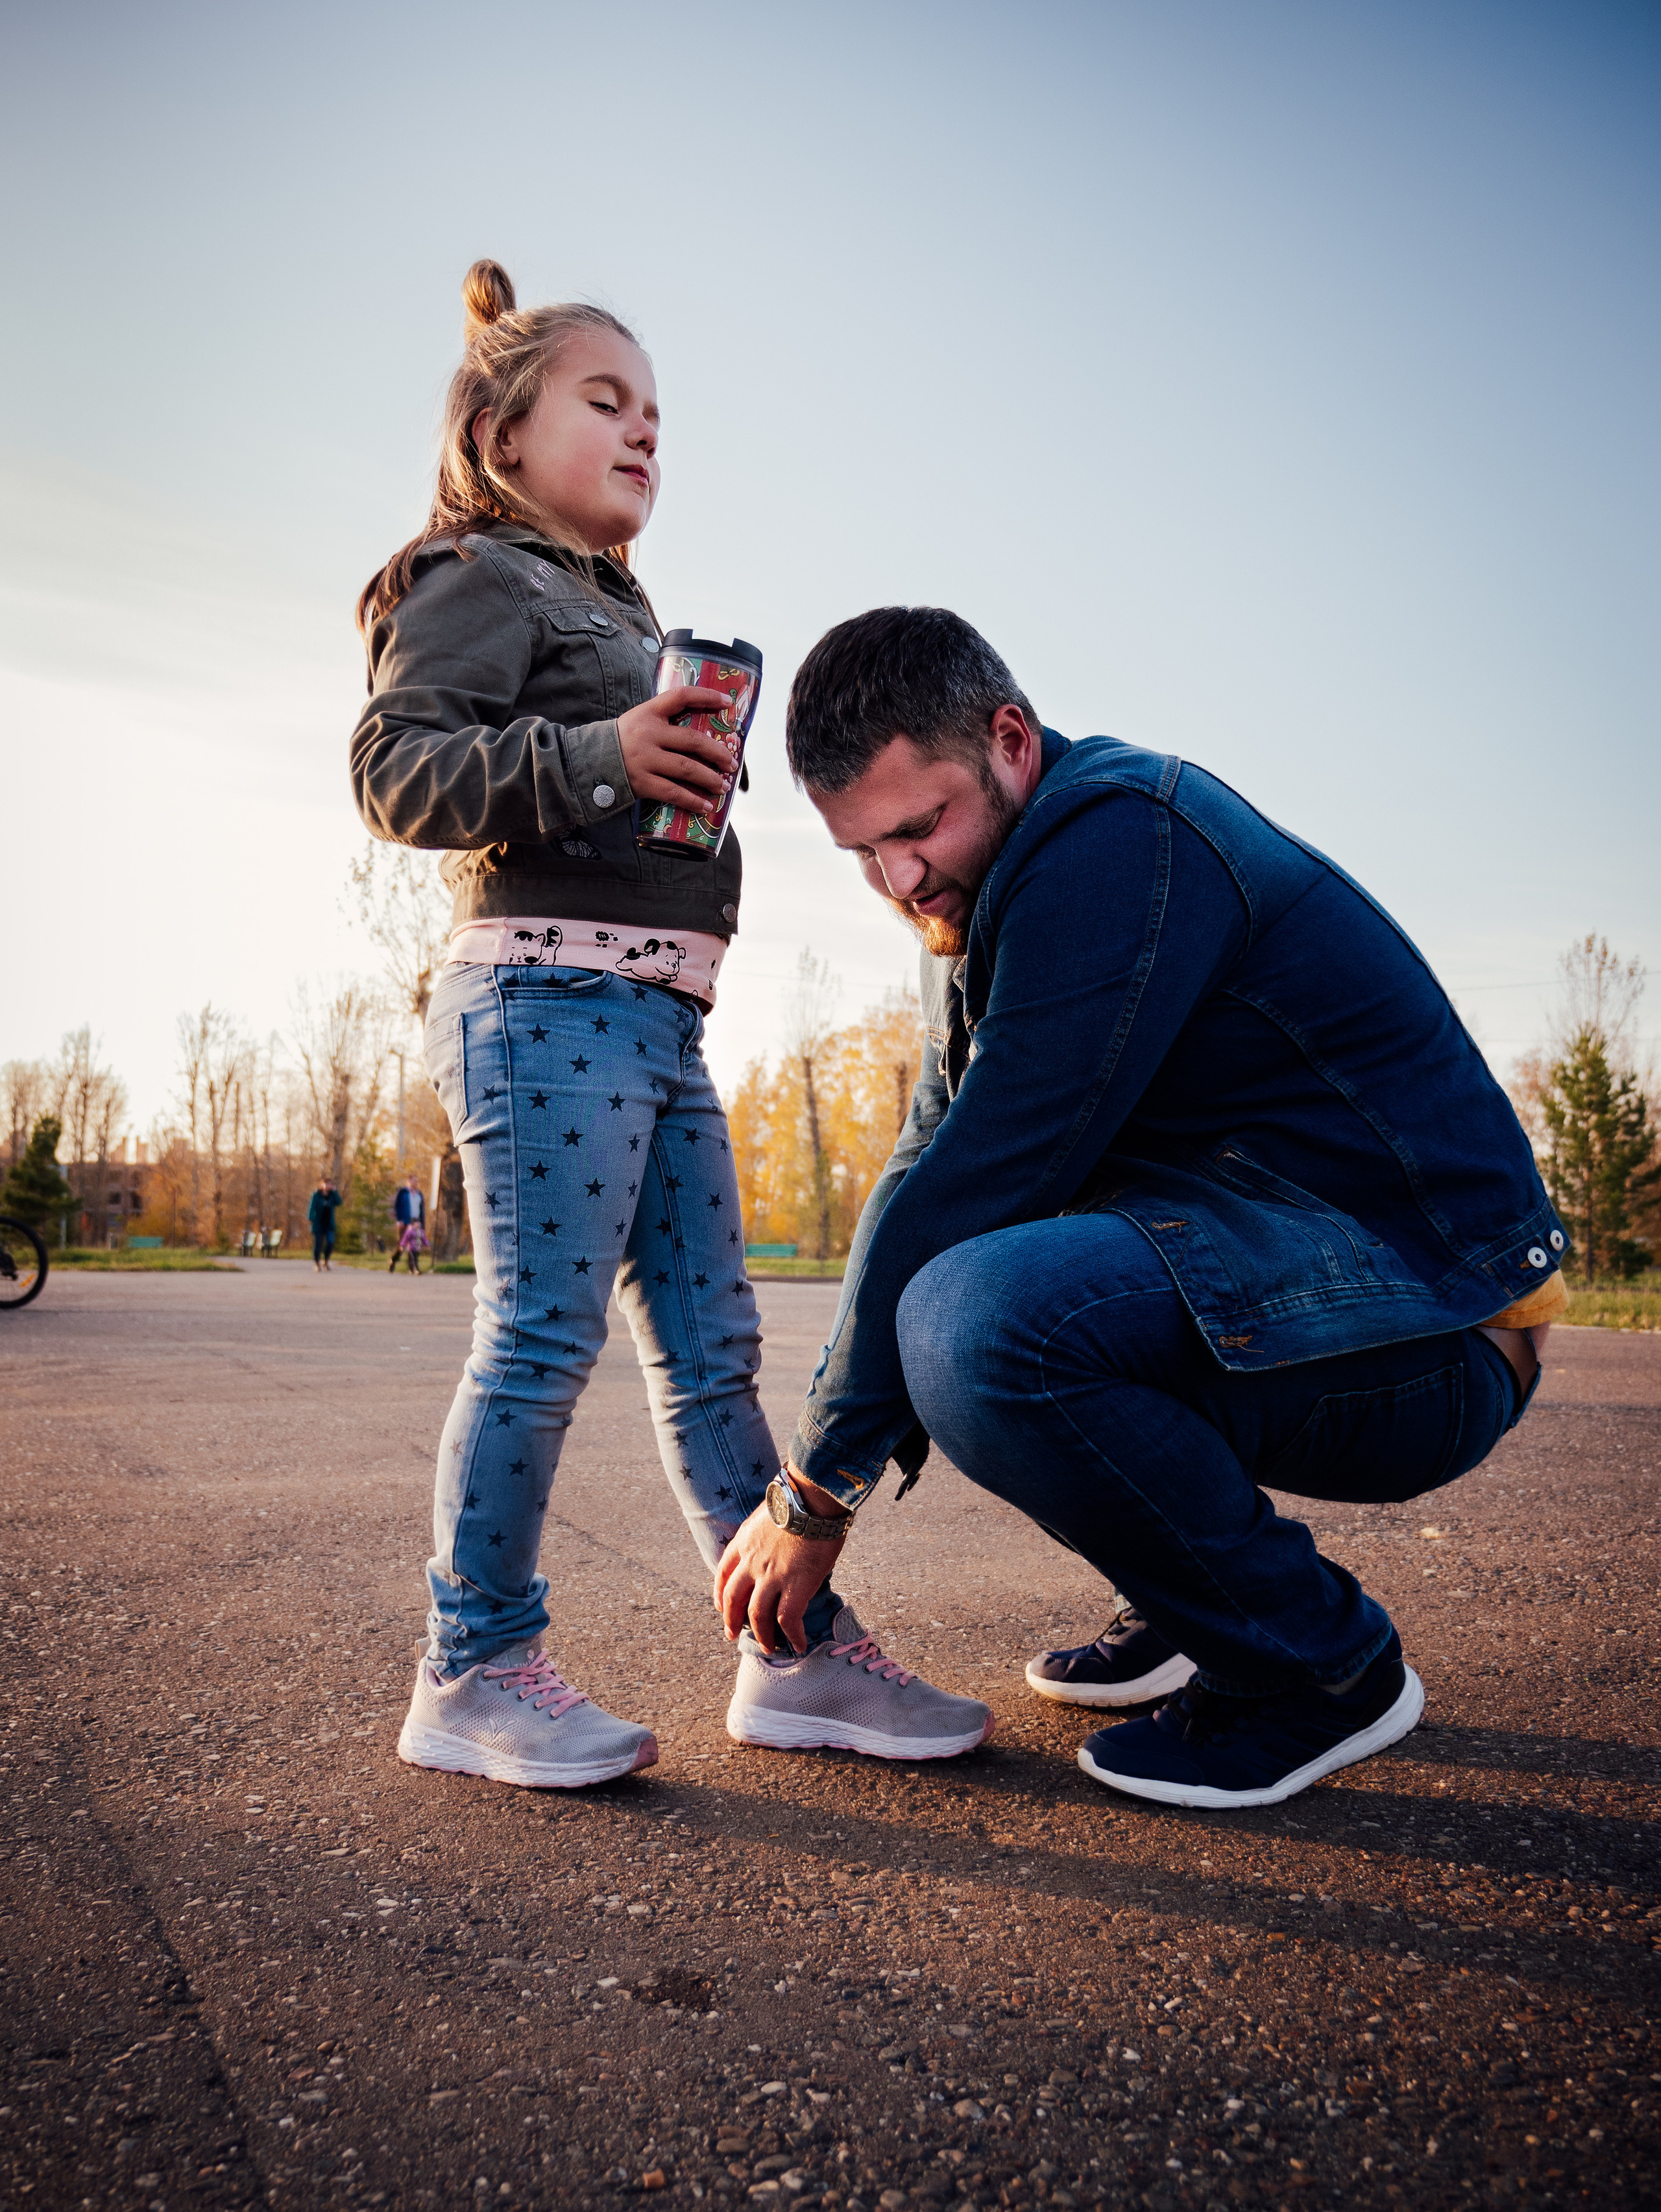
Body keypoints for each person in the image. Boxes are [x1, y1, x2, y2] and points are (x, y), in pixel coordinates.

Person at [715, 605, 1566, 1811]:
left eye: (919, 826)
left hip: (1436, 1326)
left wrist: (817, 1487)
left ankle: (1319, 1667)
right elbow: (920, 1166)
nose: (898, 876)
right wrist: (826, 1452)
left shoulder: (1115, 841)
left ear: (1012, 740)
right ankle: (1190, 1607)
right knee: (987, 1293)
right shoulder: (974, 899)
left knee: (982, 1323)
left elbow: (980, 1182)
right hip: (1296, 1276)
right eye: (863, 851)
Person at [351, 264, 986, 1792]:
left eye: (657, 414)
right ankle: (474, 1666)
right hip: (542, 1001)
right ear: (501, 437)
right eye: (605, 401)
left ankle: (790, 1655)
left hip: (654, 1021)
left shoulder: (608, 605)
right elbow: (395, 771)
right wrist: (598, 747)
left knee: (714, 1351)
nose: (645, 432)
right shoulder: (472, 579)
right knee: (541, 1336)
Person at [390, 1172, 427, 1274]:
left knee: (415, 1245)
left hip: (416, 1222)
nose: (415, 1183)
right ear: (408, 1181)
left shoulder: (419, 1194)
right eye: (413, 1181)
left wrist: (422, 1223)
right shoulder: (403, 1193)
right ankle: (393, 1260)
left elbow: (422, 1209)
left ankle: (413, 1268)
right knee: (402, 1246)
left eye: (417, 1181)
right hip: (405, 1221)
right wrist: (398, 1220)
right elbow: (396, 1207)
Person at [308, 1178, 341, 1272]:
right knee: (318, 1244)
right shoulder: (316, 1195)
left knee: (330, 1242)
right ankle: (317, 1263)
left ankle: (326, 1261)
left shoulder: (332, 1196)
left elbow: (339, 1202)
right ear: (322, 1185)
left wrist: (335, 1192)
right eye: (326, 1184)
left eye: (330, 1185)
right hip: (318, 1224)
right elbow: (312, 1207)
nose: (328, 1186)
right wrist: (310, 1218)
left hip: (329, 1224)